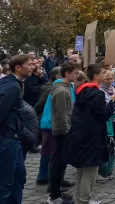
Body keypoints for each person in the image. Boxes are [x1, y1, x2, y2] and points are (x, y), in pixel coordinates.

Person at [67, 63, 115, 204]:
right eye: (103, 73)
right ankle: (84, 199)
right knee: (90, 170)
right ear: (96, 76)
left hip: (80, 134)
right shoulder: (97, 94)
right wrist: (112, 103)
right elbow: (103, 115)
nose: (106, 75)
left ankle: (79, 198)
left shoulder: (82, 90)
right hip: (92, 136)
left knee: (82, 169)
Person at [0, 54, 33, 203]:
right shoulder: (12, 86)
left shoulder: (14, 83)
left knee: (19, 177)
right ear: (18, 68)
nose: (33, 66)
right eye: (29, 64)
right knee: (6, 184)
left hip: (14, 138)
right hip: (7, 139)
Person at [46, 62, 79, 204]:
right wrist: (68, 133)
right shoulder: (61, 91)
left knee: (61, 163)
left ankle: (57, 191)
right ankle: (55, 196)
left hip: (63, 131)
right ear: (67, 73)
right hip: (62, 133)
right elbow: (62, 116)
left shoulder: (66, 87)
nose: (77, 75)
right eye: (75, 73)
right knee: (59, 164)